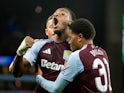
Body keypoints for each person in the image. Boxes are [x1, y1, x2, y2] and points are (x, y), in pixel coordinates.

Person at [35, 18, 113, 93]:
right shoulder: (103, 52)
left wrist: (39, 78)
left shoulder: (77, 56)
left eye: (71, 38)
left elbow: (55, 89)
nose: (69, 42)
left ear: (80, 37)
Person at [9, 7, 76, 93]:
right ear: (46, 32)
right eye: (51, 26)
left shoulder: (76, 49)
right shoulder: (39, 45)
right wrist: (19, 53)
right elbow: (16, 72)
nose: (54, 26)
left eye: (62, 14)